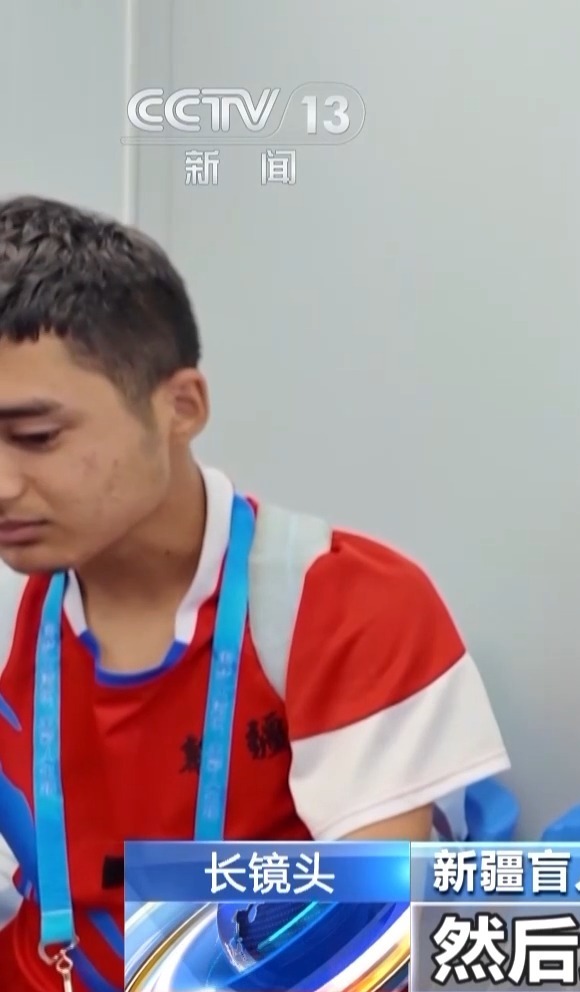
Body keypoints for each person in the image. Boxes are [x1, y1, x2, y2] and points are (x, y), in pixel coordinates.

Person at [0, 196, 511, 991]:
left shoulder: (348, 607)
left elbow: (367, 959)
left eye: (37, 437)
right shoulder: (31, 598)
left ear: (181, 407)